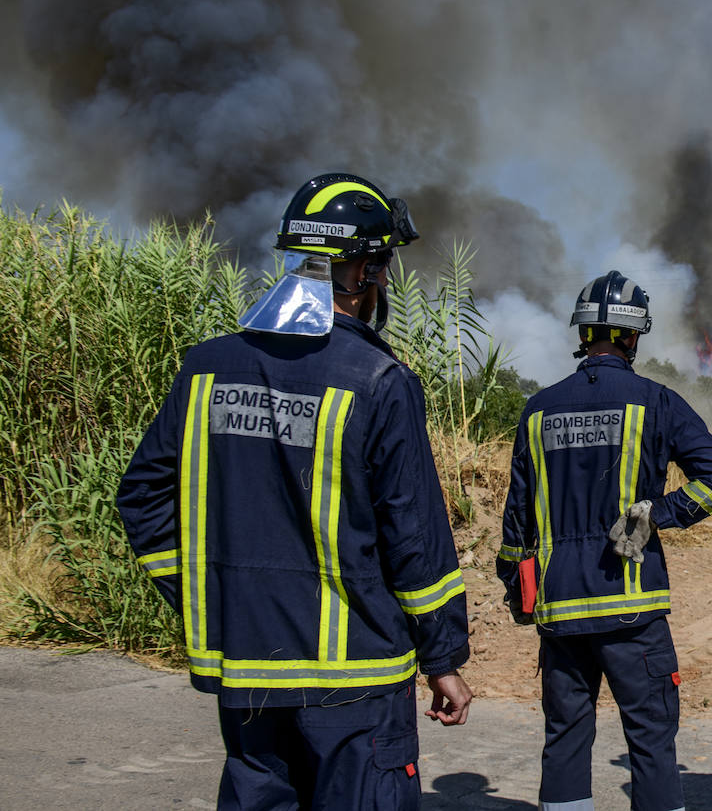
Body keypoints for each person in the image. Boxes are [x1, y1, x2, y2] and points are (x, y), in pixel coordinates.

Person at [117, 173, 473, 810]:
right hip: (354, 680)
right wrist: (442, 655)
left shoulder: (207, 366)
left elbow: (142, 496)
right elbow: (414, 540)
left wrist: (211, 597)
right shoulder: (378, 380)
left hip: (246, 668)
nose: (385, 282)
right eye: (383, 266)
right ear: (358, 272)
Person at [497, 270, 712, 811]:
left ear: (584, 333)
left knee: (564, 739)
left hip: (561, 612)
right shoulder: (655, 400)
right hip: (633, 609)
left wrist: (517, 589)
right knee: (651, 742)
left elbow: (517, 522)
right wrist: (656, 515)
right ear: (634, 337)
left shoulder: (538, 410)